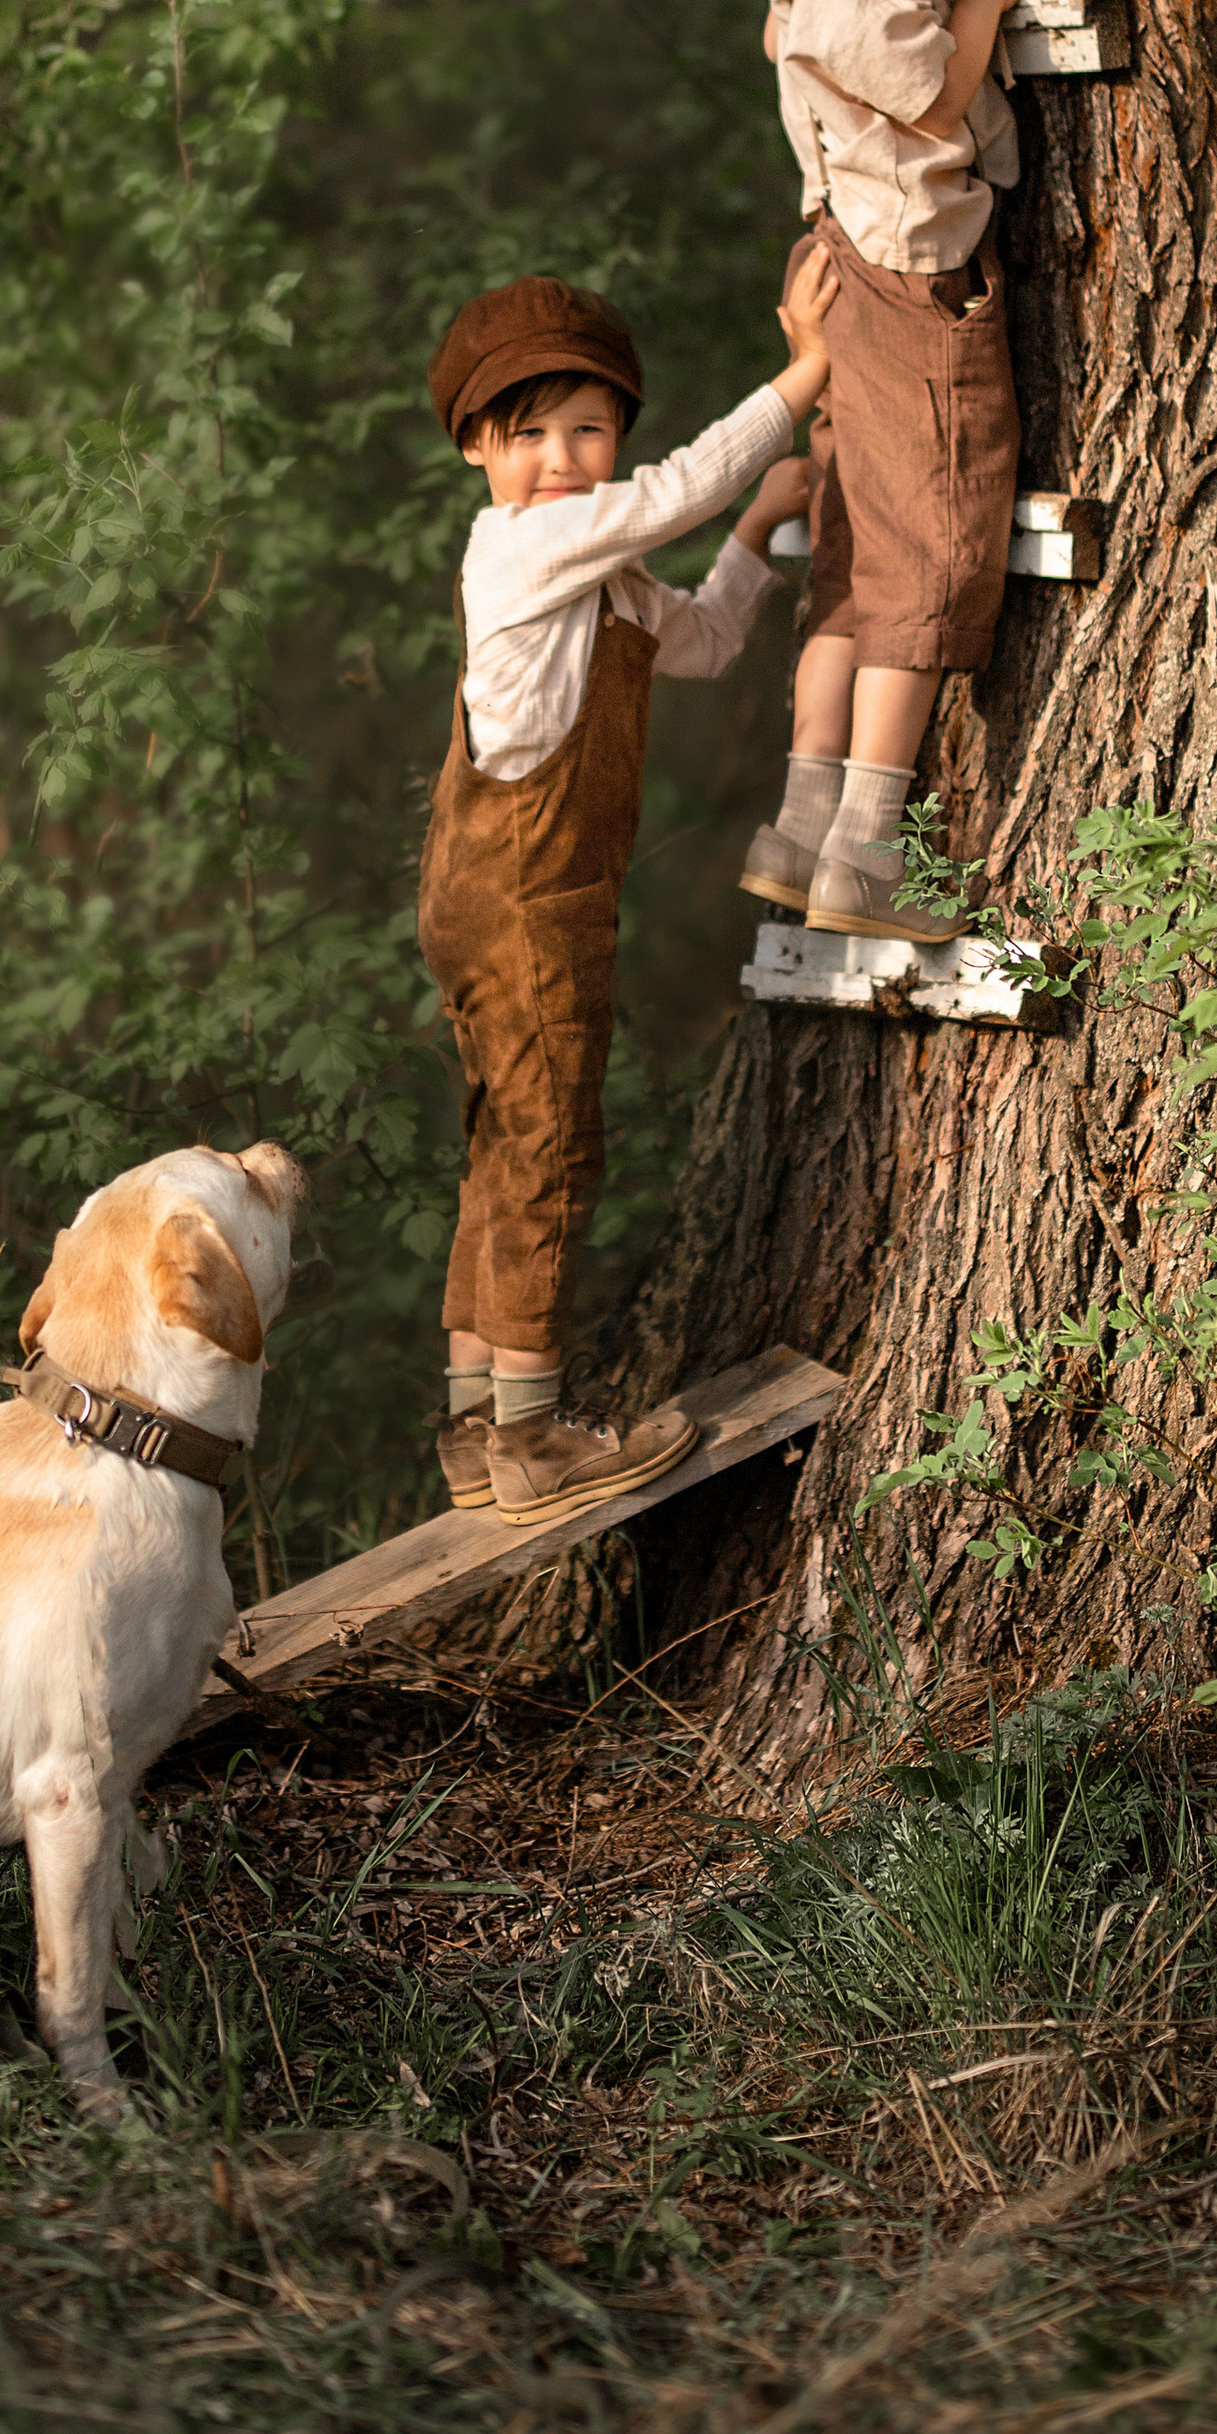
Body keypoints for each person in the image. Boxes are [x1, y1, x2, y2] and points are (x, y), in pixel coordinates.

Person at [419, 244, 837, 1522]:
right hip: (524, 902)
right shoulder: (517, 552)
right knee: (549, 1149)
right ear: (479, 454)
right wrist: (807, 374)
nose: (560, 459)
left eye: (587, 431)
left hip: (509, 898)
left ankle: (479, 1423)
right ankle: (536, 1445)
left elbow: (699, 642)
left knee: (504, 1148)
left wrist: (759, 536)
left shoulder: (593, 573)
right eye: (529, 434)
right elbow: (671, 492)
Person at [736, 0, 1055, 943]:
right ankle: (870, 855)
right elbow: (928, 99)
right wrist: (986, 0)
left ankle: (804, 828)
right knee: (927, 553)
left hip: (855, 263)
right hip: (908, 281)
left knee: (860, 559)